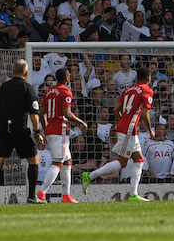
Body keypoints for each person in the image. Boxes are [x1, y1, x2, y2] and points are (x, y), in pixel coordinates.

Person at [82, 66, 154, 201]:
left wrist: (122, 121)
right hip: (129, 128)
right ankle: (90, 176)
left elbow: (115, 109)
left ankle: (134, 194)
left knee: (139, 160)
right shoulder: (147, 90)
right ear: (149, 79)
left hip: (125, 125)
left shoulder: (128, 89)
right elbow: (145, 114)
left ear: (137, 78)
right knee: (122, 162)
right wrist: (150, 131)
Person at [0, 59, 44, 205]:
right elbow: (33, 114)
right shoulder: (28, 88)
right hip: (20, 129)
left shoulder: (3, 87)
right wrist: (37, 132)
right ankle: (31, 196)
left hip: (4, 129)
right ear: (26, 72)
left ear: (13, 72)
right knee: (33, 160)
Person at [37, 67, 87, 203]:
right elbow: (66, 113)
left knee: (67, 162)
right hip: (60, 130)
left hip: (51, 130)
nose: (70, 77)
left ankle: (66, 195)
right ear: (66, 78)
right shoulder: (65, 92)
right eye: (69, 75)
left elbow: (42, 113)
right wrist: (80, 121)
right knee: (57, 163)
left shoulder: (49, 92)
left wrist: (46, 129)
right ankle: (41, 192)